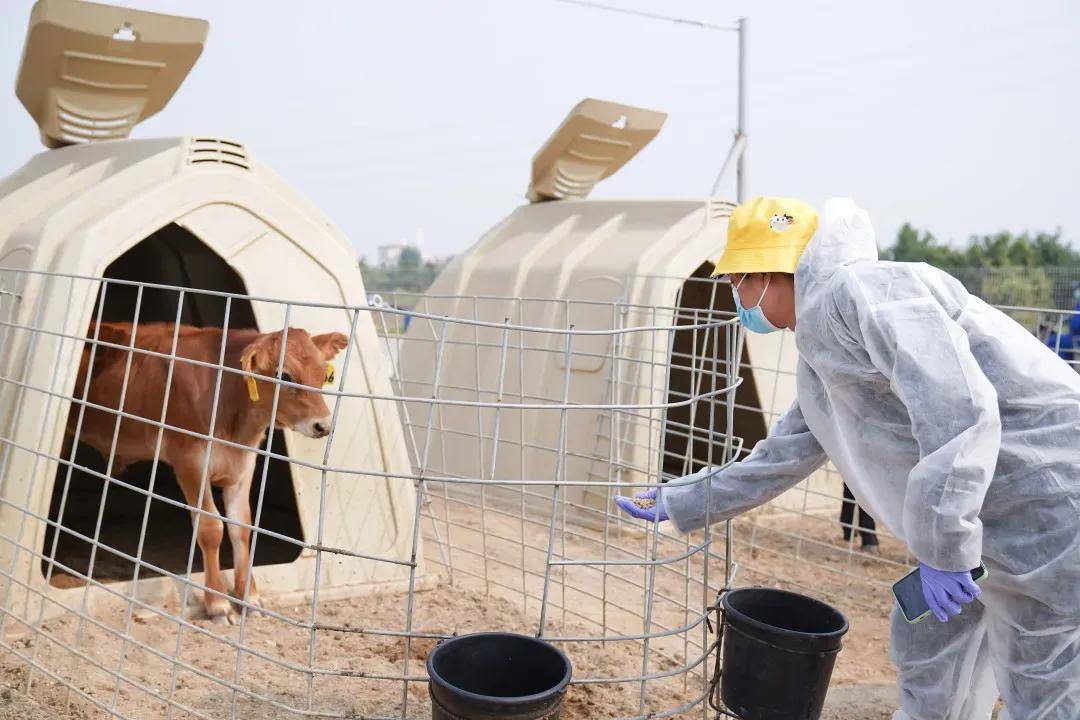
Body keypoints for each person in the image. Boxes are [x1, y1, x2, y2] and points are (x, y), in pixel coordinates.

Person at [616, 197, 1080, 720]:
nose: (737, 299)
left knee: (1042, 677)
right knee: (927, 638)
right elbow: (783, 455)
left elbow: (959, 413)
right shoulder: (819, 348)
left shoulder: (872, 293)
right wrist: (682, 498)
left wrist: (945, 548)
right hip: (974, 519)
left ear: (768, 273)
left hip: (1047, 507)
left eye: (736, 283)